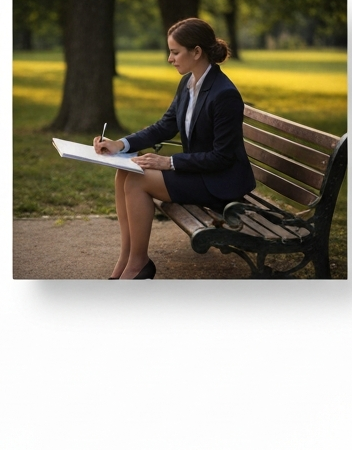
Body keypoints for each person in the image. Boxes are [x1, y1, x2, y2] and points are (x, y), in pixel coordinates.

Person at [94, 18, 256, 279]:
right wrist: (120, 144)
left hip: (220, 183)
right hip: (200, 173)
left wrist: (168, 162)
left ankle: (138, 264)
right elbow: (165, 126)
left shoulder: (224, 94)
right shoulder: (188, 83)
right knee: (124, 171)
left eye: (175, 52)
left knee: (137, 181)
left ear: (197, 52)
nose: (170, 58)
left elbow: (222, 157)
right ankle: (127, 258)